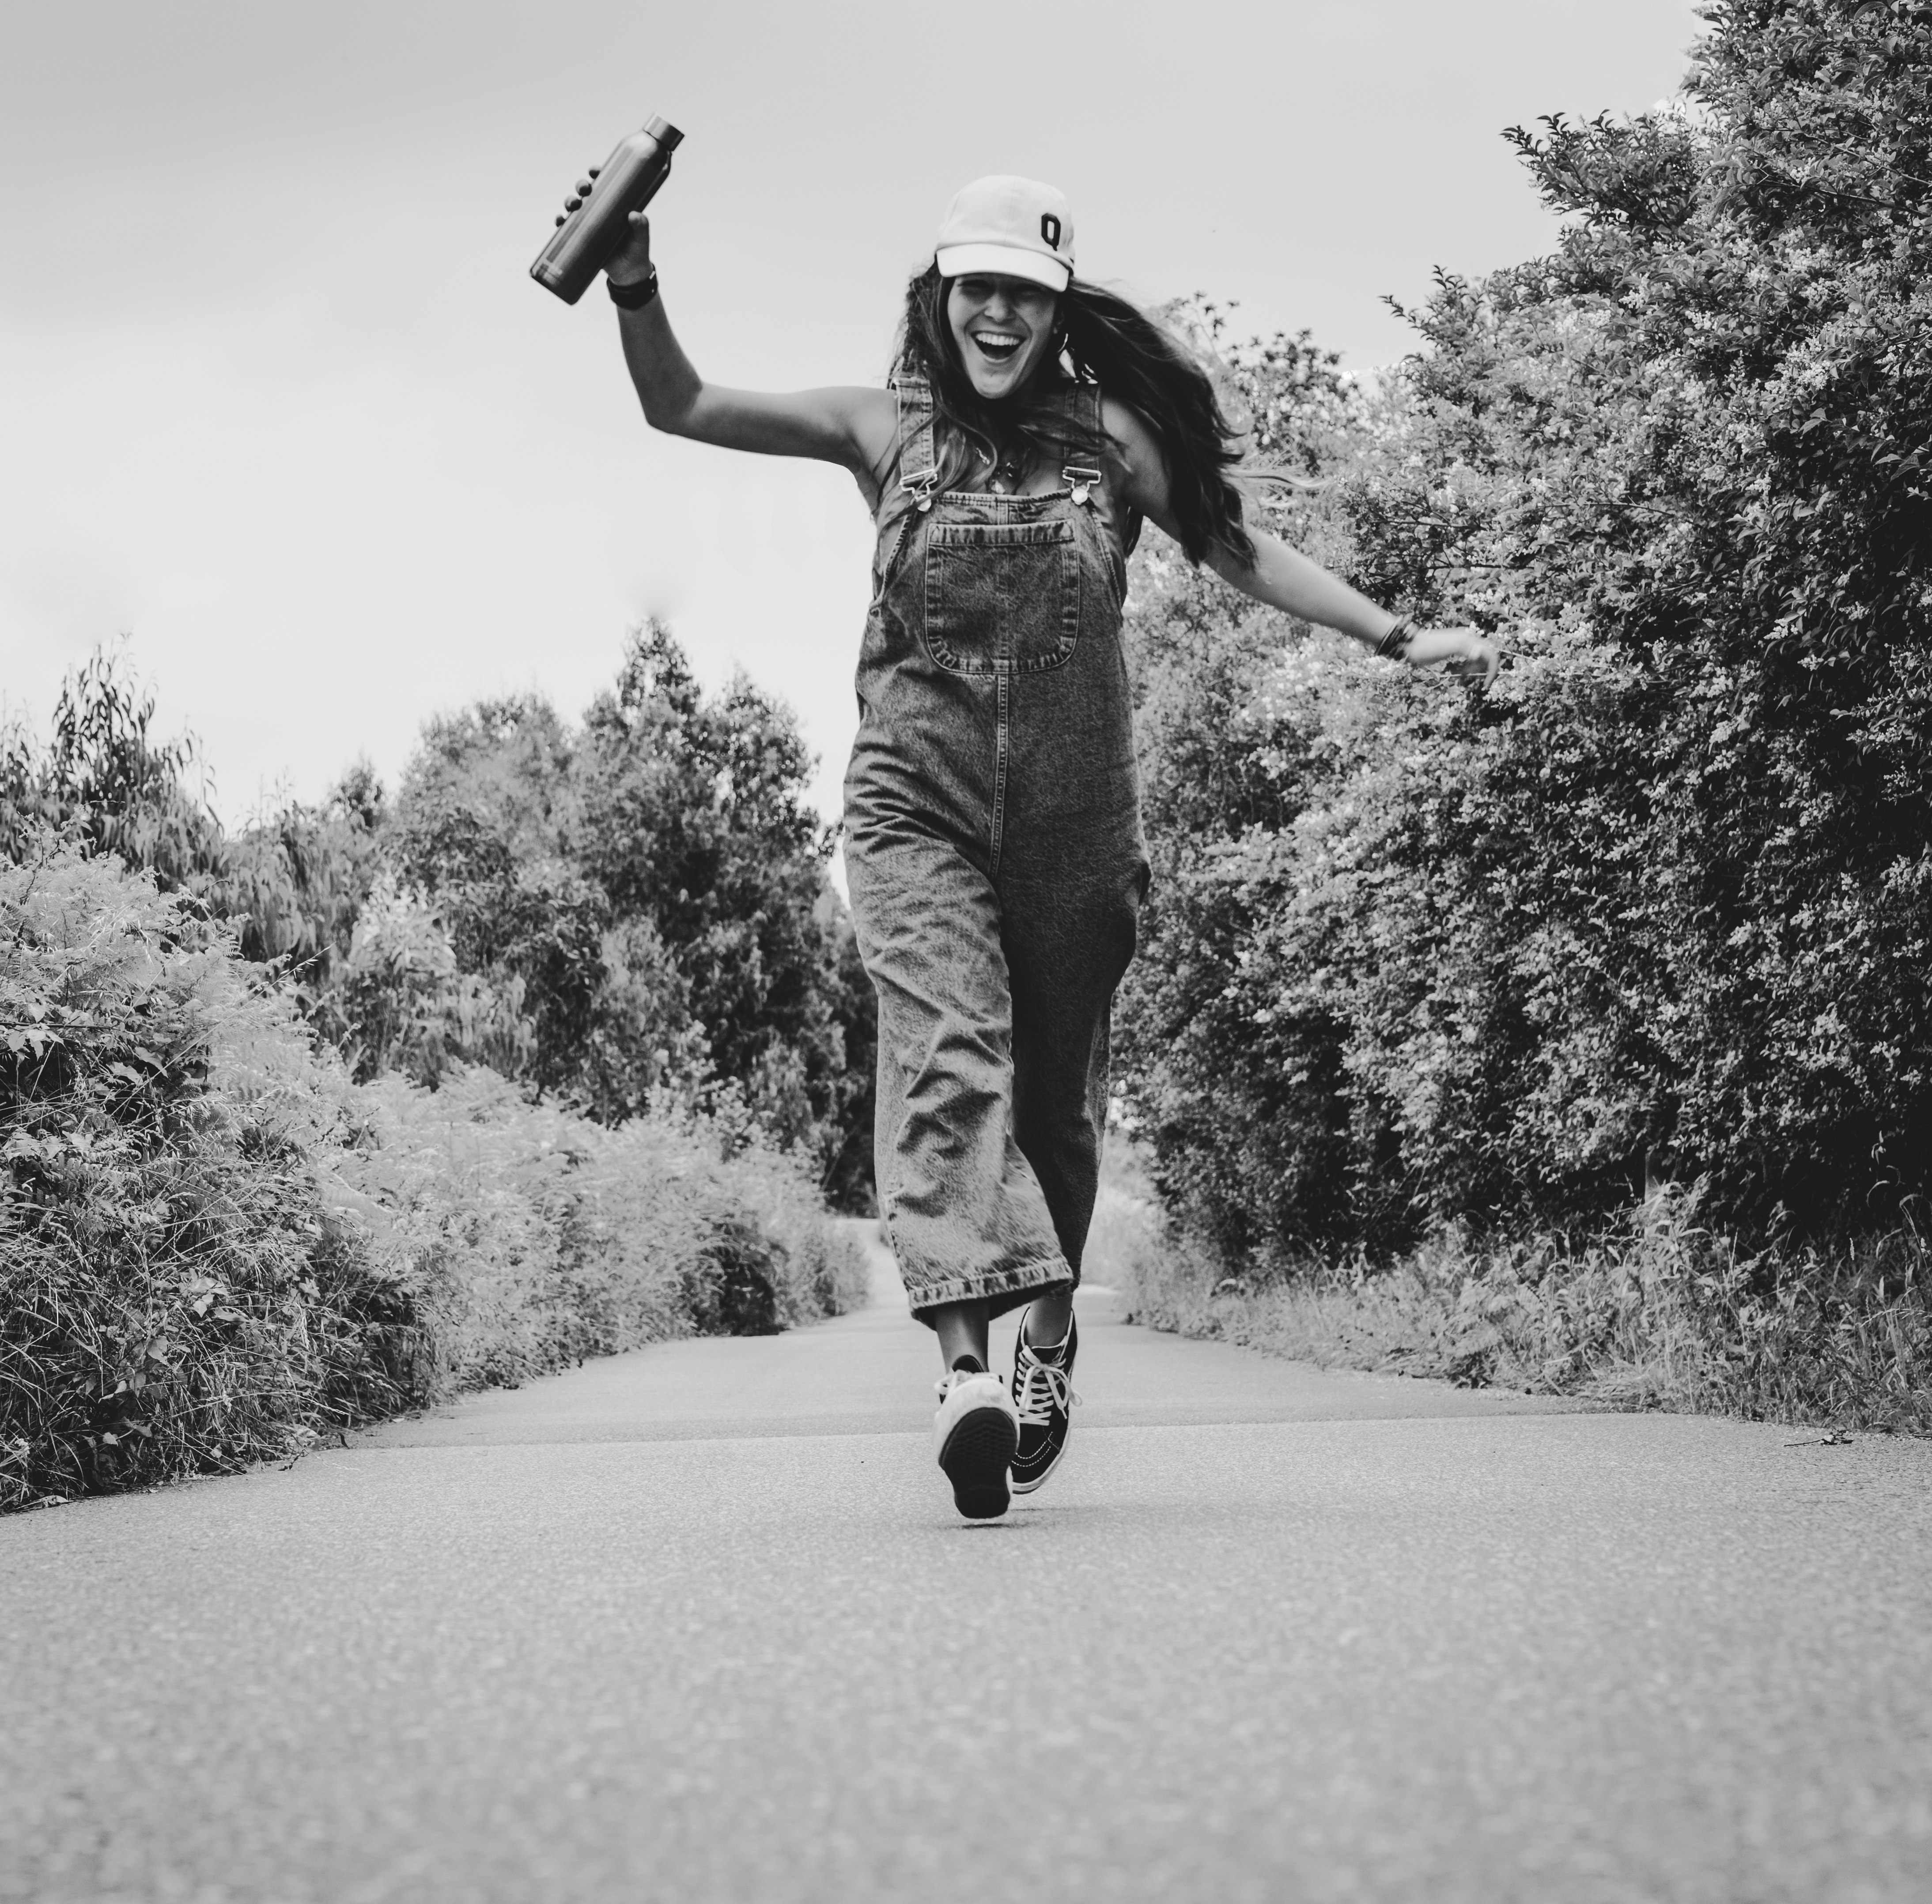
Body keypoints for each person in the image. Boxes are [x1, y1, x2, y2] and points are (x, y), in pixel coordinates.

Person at [572, 170, 1497, 1521]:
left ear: (1054, 307)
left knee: (1056, 1113)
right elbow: (682, 404)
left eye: (1023, 292)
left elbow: (1239, 547)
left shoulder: (1111, 441)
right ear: (939, 296)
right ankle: (965, 1377)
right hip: (915, 804)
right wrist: (636, 280)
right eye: (976, 288)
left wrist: (1397, 637)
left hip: (1077, 817)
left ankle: (1049, 1336)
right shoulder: (876, 427)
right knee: (948, 1064)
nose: (997, 313)